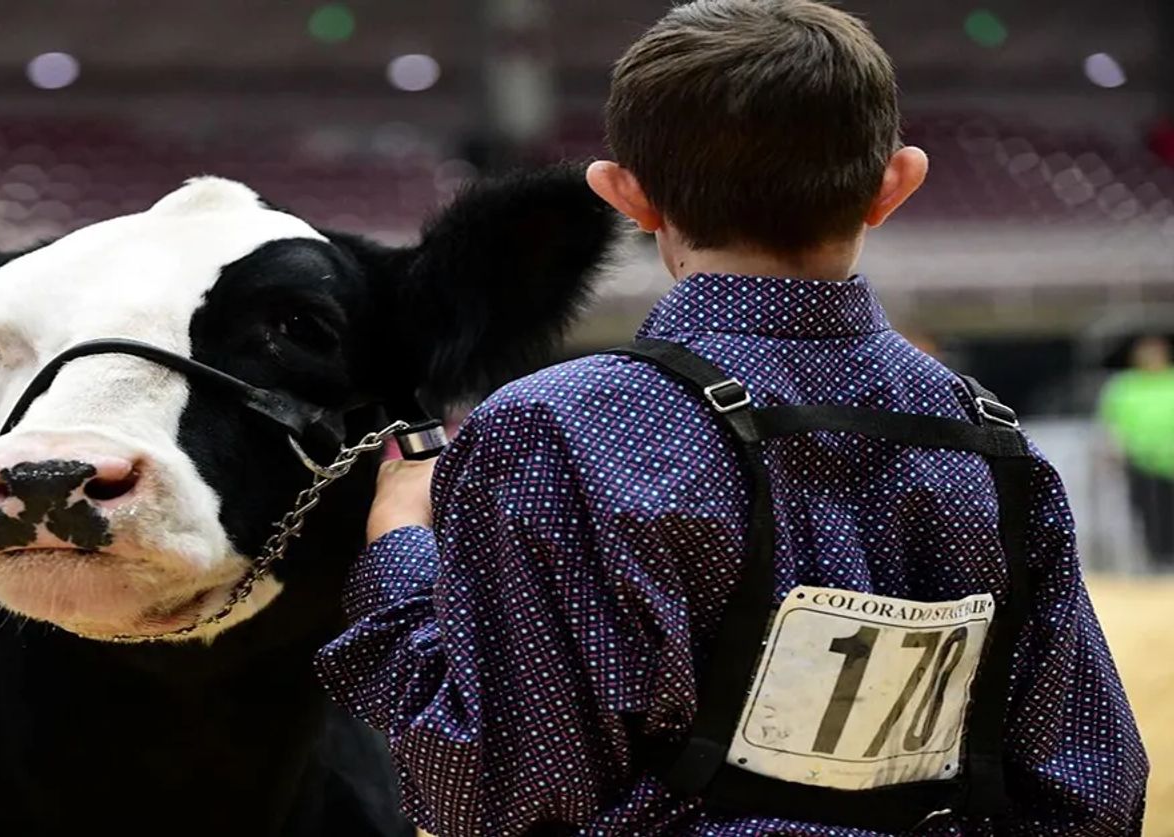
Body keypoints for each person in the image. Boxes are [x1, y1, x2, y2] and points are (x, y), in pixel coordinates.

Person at [314, 1, 1149, 834]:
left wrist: (399, 553)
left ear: (625, 195)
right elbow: (1089, 789)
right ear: (895, 185)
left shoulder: (547, 430)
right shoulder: (997, 448)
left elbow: (489, 788)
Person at [1099, 333, 1174, 567]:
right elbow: (1111, 421)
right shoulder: (1124, 386)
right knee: (1149, 513)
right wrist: (1113, 446)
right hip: (1140, 460)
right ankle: (1158, 560)